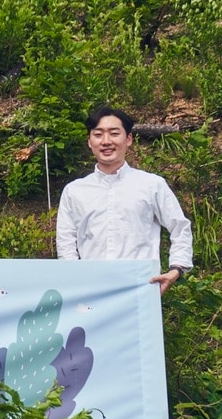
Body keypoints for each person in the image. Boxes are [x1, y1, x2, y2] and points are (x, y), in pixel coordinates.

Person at [56, 105, 193, 292]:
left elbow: (180, 226)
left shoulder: (152, 185)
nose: (106, 141)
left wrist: (176, 268)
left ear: (128, 139)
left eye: (114, 133)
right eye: (98, 134)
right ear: (89, 141)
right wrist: (76, 280)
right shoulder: (74, 191)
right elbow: (66, 243)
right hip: (90, 291)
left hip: (141, 288)